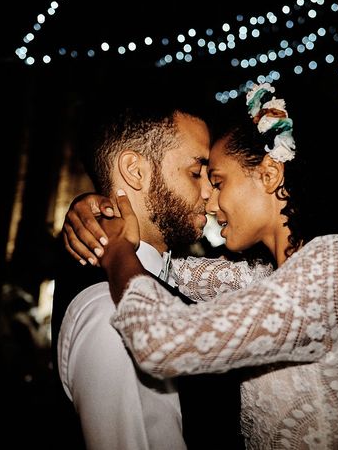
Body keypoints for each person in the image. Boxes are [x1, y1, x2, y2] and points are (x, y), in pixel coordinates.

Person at [66, 83, 338, 449]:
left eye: (218, 181)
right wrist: (93, 208)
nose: (208, 200)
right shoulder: (261, 278)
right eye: (199, 175)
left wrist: (116, 252)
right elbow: (165, 272)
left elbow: (161, 340)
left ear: (269, 175)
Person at [54, 93, 248, 449]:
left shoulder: (162, 280)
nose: (209, 191)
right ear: (135, 171)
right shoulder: (112, 312)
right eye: (195, 172)